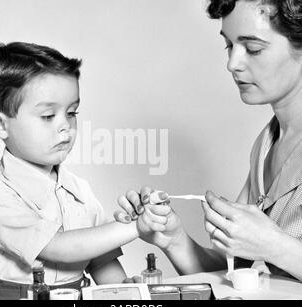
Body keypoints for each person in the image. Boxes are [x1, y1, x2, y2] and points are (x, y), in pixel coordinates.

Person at [115, 0, 302, 281]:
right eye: (229, 46)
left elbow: (273, 253)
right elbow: (237, 274)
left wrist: (277, 248)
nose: (232, 64)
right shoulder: (266, 144)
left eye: (253, 48)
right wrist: (173, 238)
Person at [0, 42, 158, 299]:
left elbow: (100, 260)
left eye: (71, 112)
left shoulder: (79, 190)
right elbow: (58, 248)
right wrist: (137, 226)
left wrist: (123, 290)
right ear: (0, 124)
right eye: (48, 116)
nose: (65, 126)